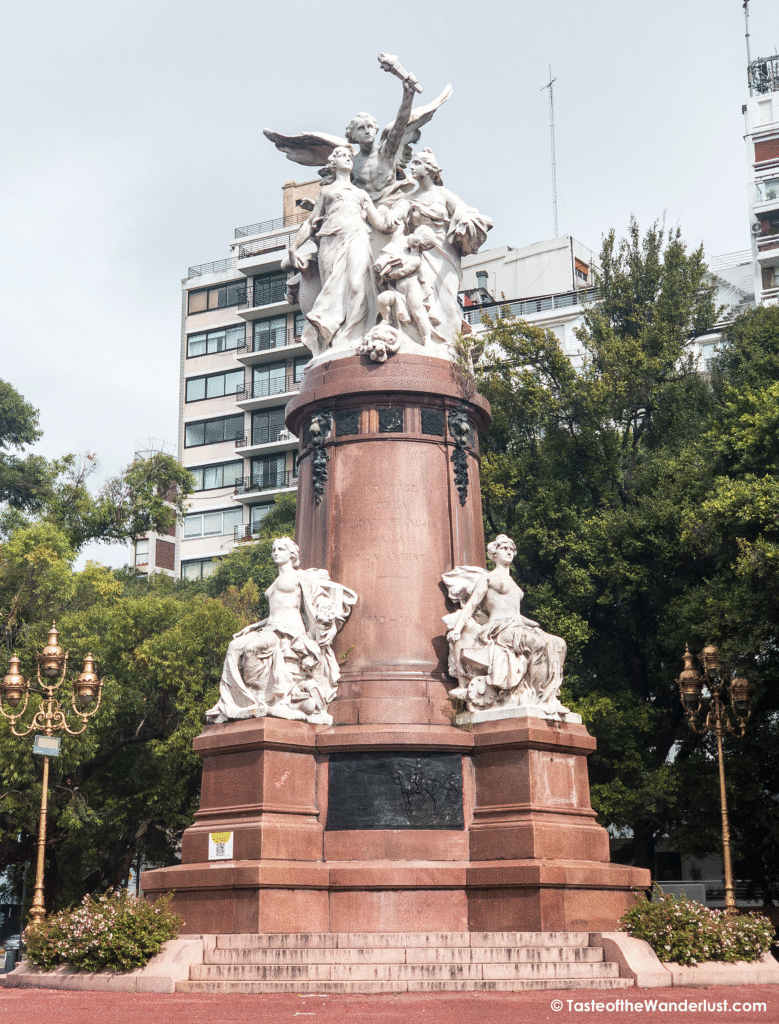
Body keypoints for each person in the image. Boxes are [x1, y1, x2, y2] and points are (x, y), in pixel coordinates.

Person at [206, 537, 357, 726]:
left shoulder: (300, 577)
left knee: (254, 647)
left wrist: (325, 617)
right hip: (270, 627)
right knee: (234, 646)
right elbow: (275, 612)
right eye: (274, 549)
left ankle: (262, 697)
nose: (276, 552)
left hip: (288, 631)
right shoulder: (276, 580)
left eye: (281, 549)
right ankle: (238, 701)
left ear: (292, 553)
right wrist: (253, 626)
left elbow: (318, 599)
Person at [442, 535, 570, 717]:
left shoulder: (514, 584)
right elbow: (471, 605)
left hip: (517, 625)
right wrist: (456, 630)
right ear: (494, 554)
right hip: (499, 629)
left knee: (558, 644)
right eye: (504, 548)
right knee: (538, 643)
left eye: (511, 549)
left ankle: (549, 697)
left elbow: (516, 614)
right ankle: (542, 700)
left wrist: (532, 624)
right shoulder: (488, 578)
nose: (509, 551)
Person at [286, 147, 392, 353]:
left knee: (356, 285)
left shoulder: (361, 194)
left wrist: (394, 217)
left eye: (350, 157)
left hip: (358, 238)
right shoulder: (326, 192)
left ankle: (354, 334)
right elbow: (309, 222)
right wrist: (293, 248)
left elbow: (379, 223)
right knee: (332, 289)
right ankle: (336, 336)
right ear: (333, 164)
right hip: (331, 242)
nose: (348, 159)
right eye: (343, 156)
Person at [389, 149, 492, 345]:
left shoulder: (443, 195)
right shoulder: (409, 199)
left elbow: (468, 213)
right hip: (420, 253)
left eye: (417, 163)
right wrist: (393, 214)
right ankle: (427, 339)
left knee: (447, 301)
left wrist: (464, 224)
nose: (412, 166)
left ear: (429, 169)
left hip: (445, 255)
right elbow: (398, 211)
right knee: (420, 296)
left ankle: (451, 345)